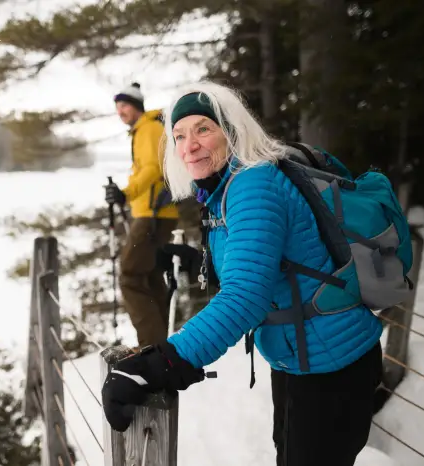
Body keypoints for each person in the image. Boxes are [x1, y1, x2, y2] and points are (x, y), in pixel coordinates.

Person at [101, 82, 388, 466]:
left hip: (331, 366)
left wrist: (163, 363)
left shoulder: (252, 184)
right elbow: (270, 263)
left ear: (232, 131)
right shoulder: (226, 186)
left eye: (204, 129)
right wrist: (194, 258)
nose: (189, 145)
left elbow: (246, 296)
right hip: (301, 359)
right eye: (180, 135)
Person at [105, 82, 180, 348]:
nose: (120, 111)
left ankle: (151, 346)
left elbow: (152, 168)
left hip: (153, 215)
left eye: (124, 105)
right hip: (156, 213)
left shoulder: (147, 129)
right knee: (148, 276)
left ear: (136, 106)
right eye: (117, 107)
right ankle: (160, 346)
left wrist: (126, 193)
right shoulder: (146, 129)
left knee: (130, 276)